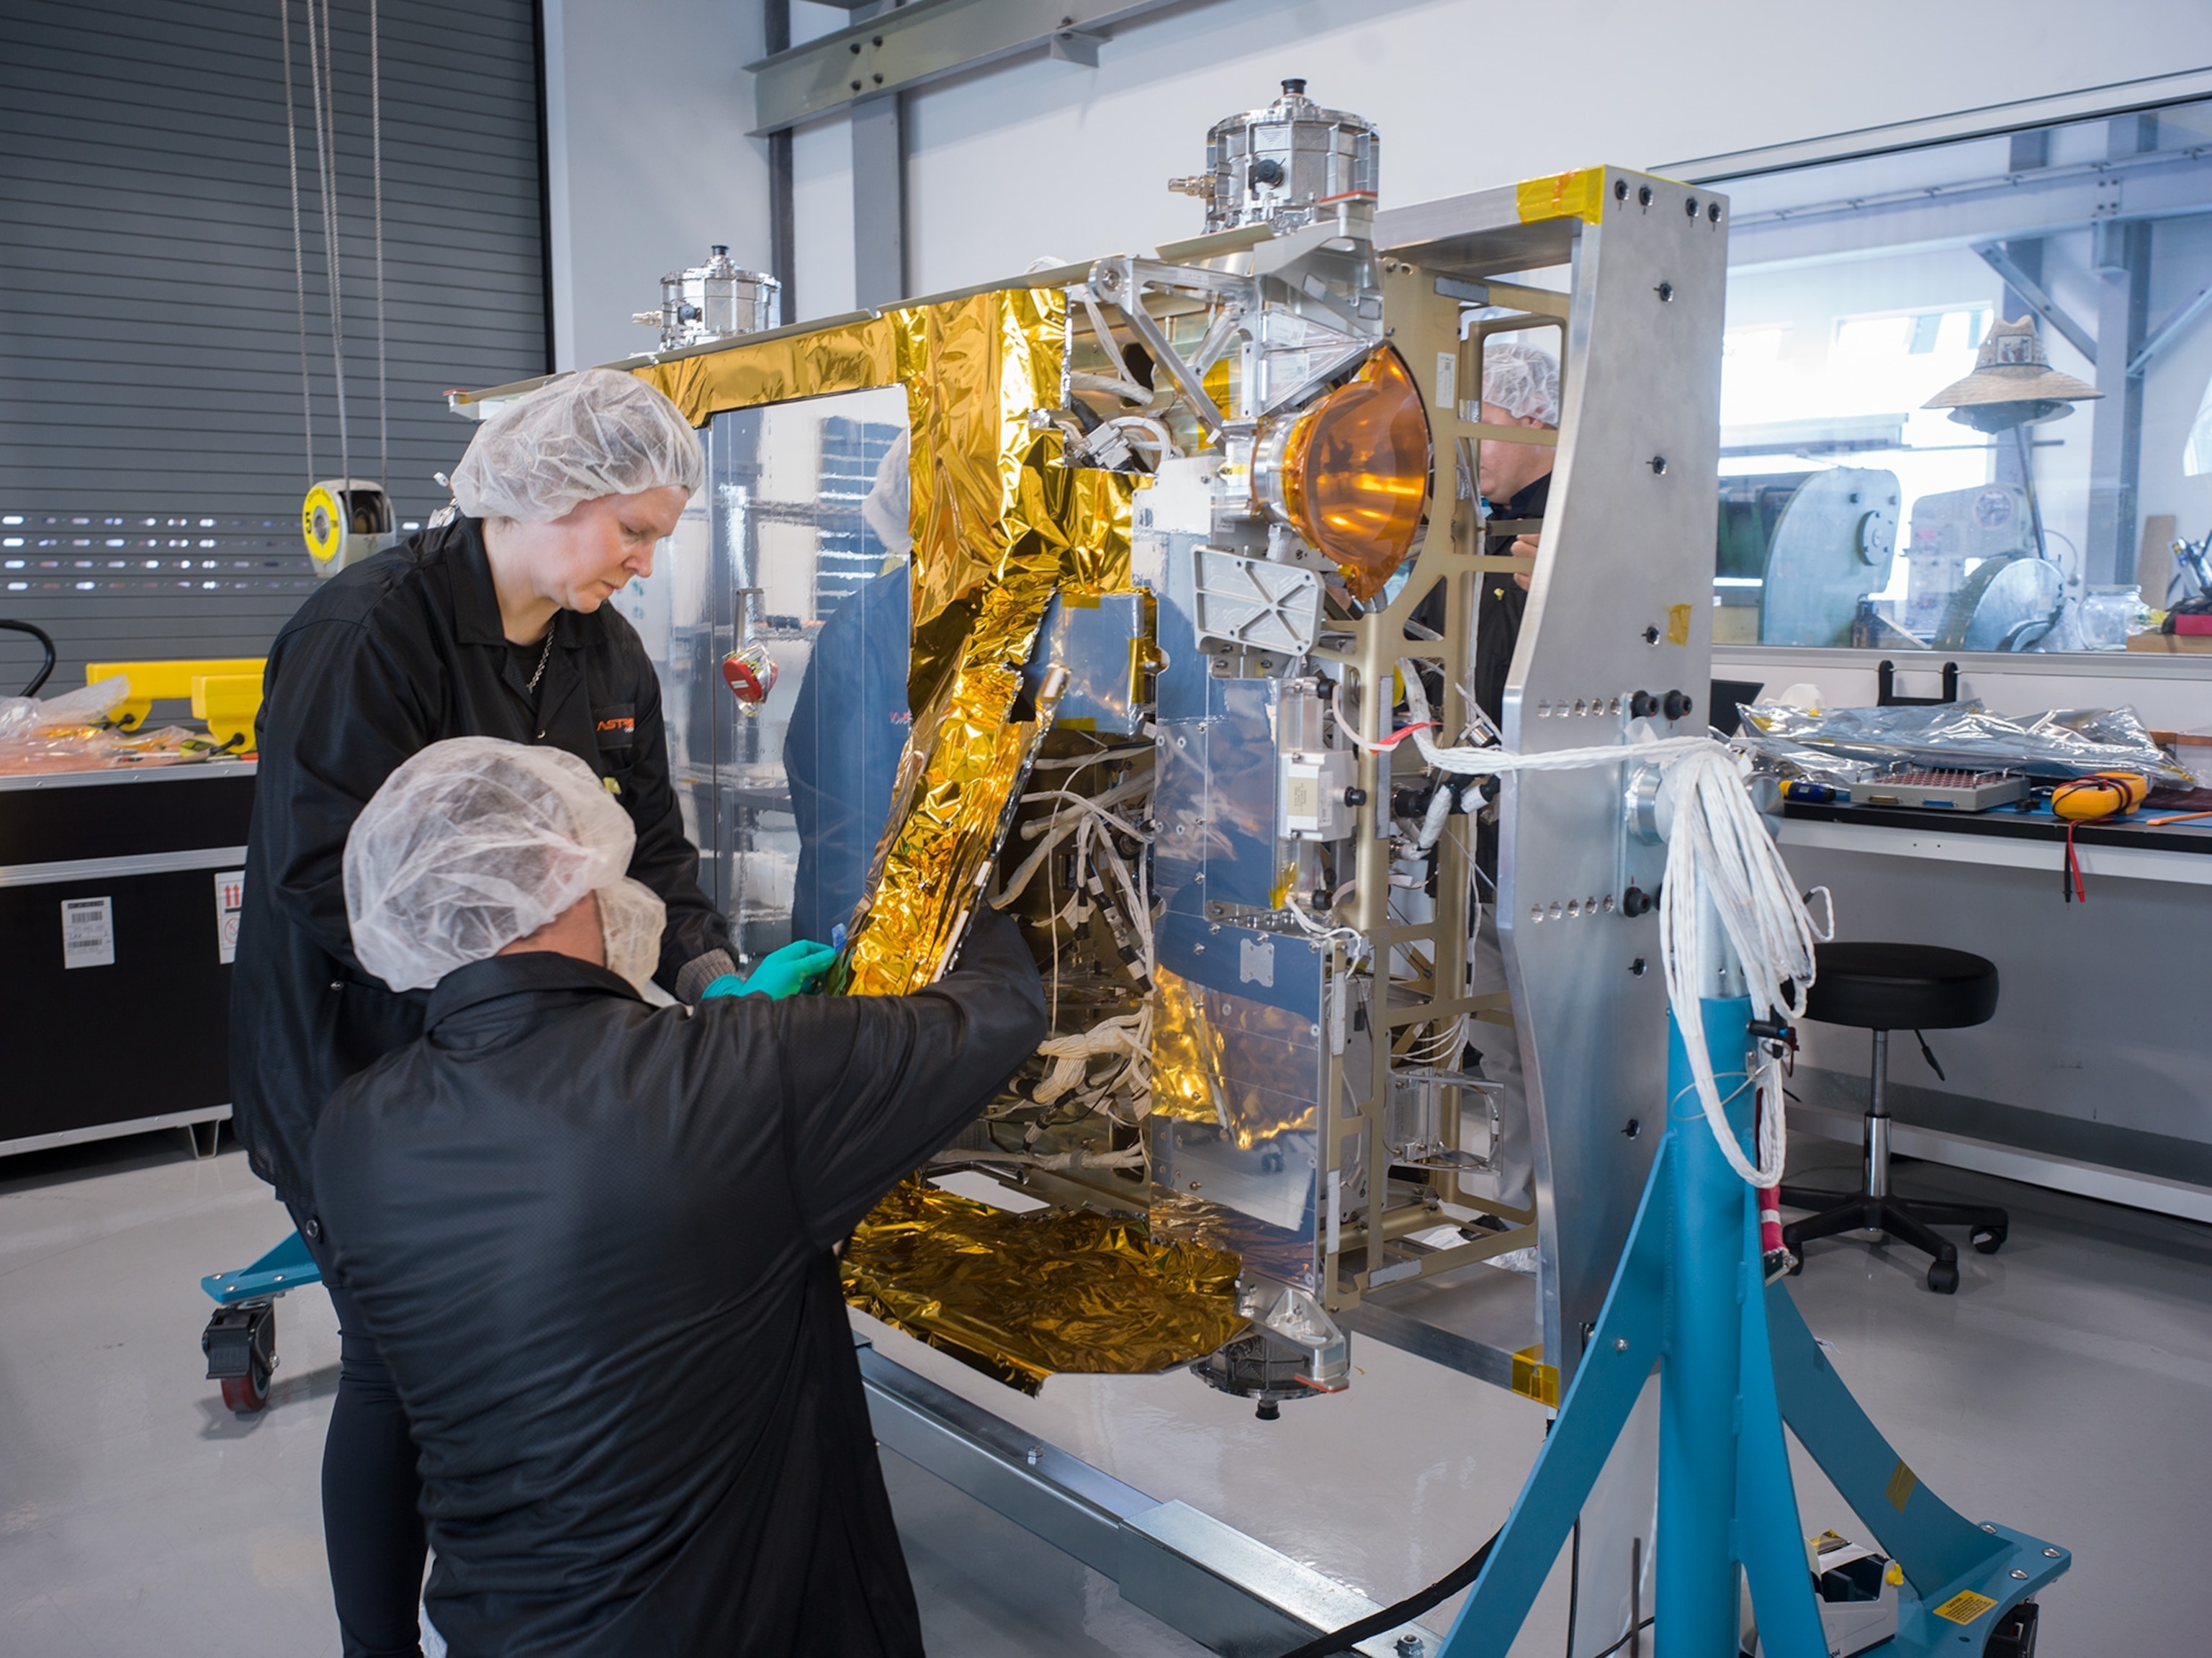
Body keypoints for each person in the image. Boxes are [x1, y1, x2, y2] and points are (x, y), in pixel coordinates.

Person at [312, 738, 1047, 1656]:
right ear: (559, 865)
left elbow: (381, 1405)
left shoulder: (356, 1131)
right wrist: (975, 840)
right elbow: (1001, 1009)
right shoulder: (736, 1076)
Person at [230, 369, 746, 1658]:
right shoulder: (371, 633)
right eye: (632, 529)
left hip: (513, 1063)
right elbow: (316, 874)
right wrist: (513, 992)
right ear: (549, 493)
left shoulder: (599, 647)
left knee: (509, 1343)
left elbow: (654, 851)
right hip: (358, 1061)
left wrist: (707, 970)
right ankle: (376, 1645)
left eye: (658, 539)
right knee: (397, 1362)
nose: (643, 561)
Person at [1413, 338, 1560, 1221]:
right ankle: (1517, 1210)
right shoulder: (1465, 532)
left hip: (1558, 839)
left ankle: (1566, 1225)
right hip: (1473, 830)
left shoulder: (1587, 528)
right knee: (1499, 1040)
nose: (1465, 450)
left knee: (1553, 1047)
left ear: (1538, 420)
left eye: (1484, 427)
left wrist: (1564, 593)